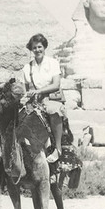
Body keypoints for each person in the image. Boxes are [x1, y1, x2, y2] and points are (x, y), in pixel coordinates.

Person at [22, 33, 65, 163]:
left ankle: (57, 149)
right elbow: (24, 88)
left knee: (53, 111)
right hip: (34, 100)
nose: (37, 50)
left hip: (50, 98)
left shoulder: (52, 63)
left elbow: (56, 84)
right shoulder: (27, 67)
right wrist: (26, 96)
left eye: (40, 47)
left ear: (44, 47)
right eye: (34, 48)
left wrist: (39, 91)